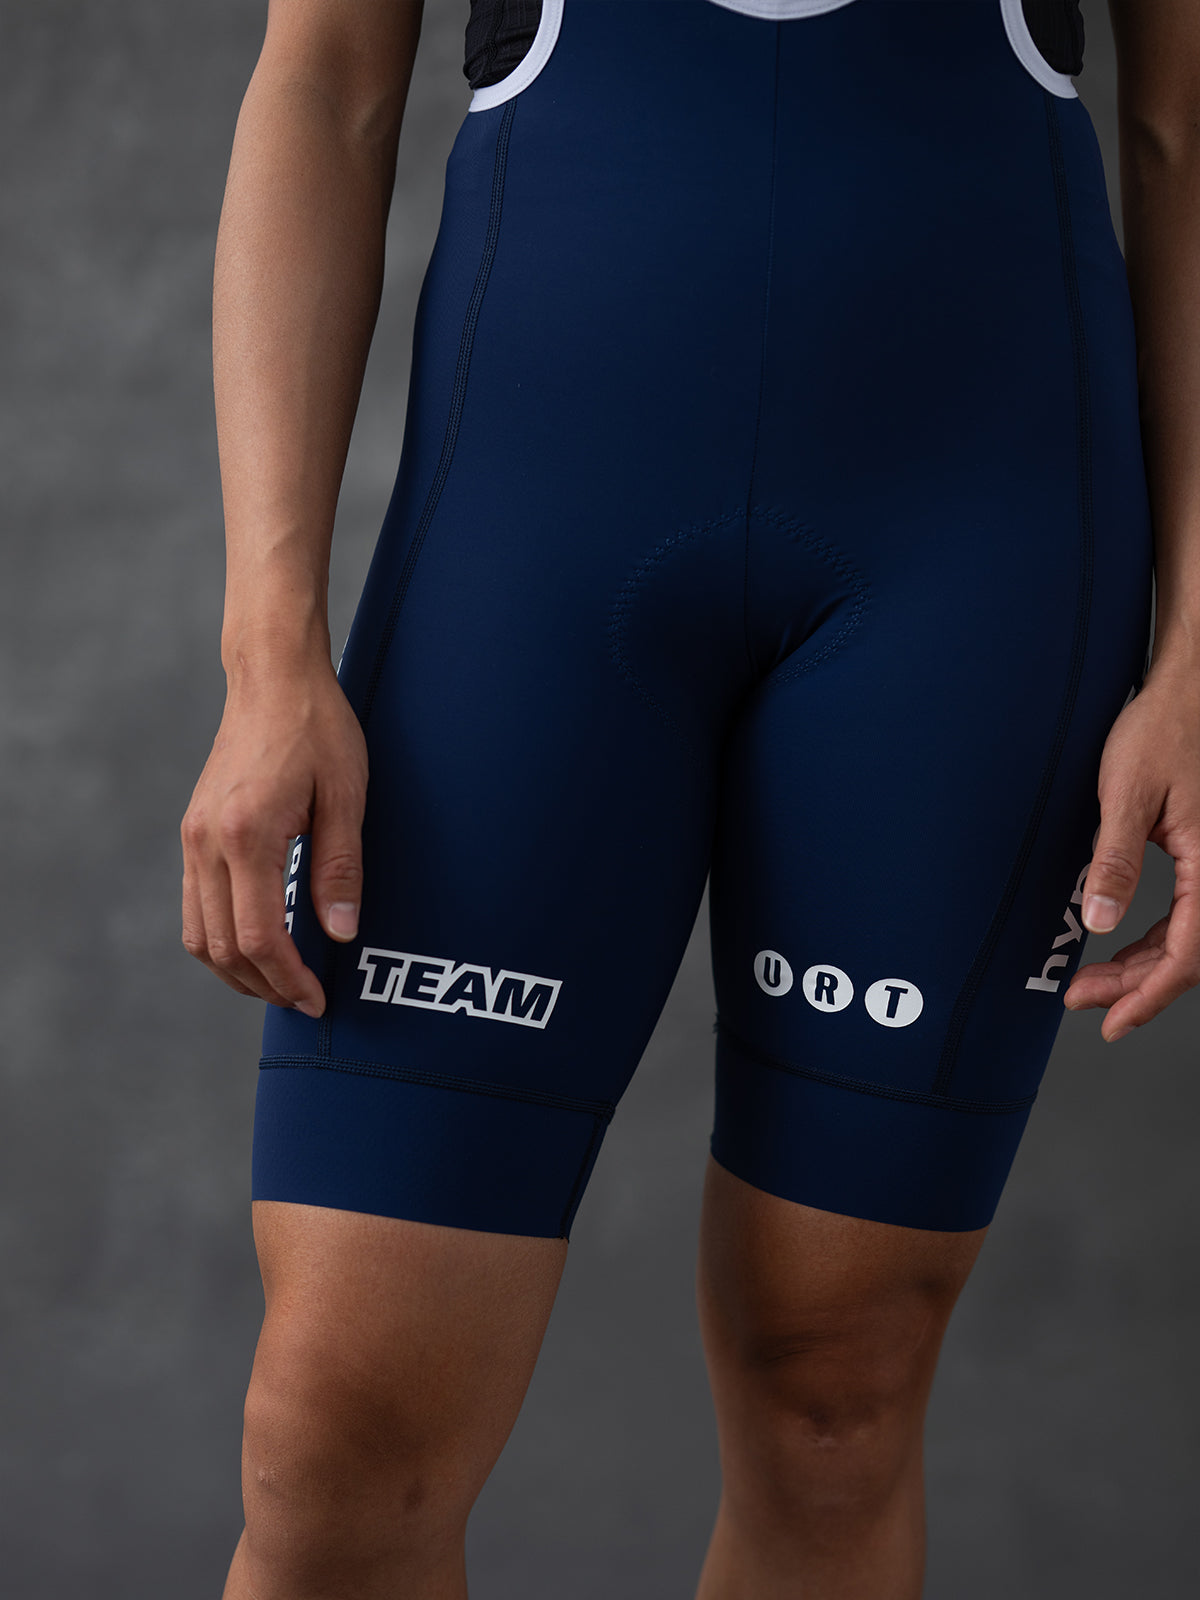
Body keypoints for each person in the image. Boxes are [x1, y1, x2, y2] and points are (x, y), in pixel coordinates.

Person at [180, 2, 1200, 1595]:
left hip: (971, 564)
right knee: (339, 1433)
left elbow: (1183, 136)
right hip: (538, 548)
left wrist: (1199, 652)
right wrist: (267, 658)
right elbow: (324, 89)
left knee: (835, 1399)